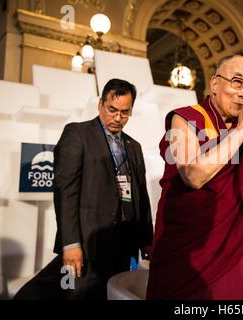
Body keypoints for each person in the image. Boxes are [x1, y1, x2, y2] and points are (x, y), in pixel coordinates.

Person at [146, 55, 243, 299]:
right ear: (215, 84)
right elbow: (193, 175)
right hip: (189, 252)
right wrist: (242, 130)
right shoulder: (184, 118)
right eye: (237, 82)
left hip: (234, 249)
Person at [15, 78, 153, 300]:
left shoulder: (133, 146)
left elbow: (141, 196)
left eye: (125, 112)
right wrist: (70, 243)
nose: (118, 118)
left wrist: (147, 239)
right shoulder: (77, 134)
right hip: (86, 245)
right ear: (100, 104)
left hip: (122, 247)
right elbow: (65, 191)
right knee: (73, 294)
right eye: (112, 110)